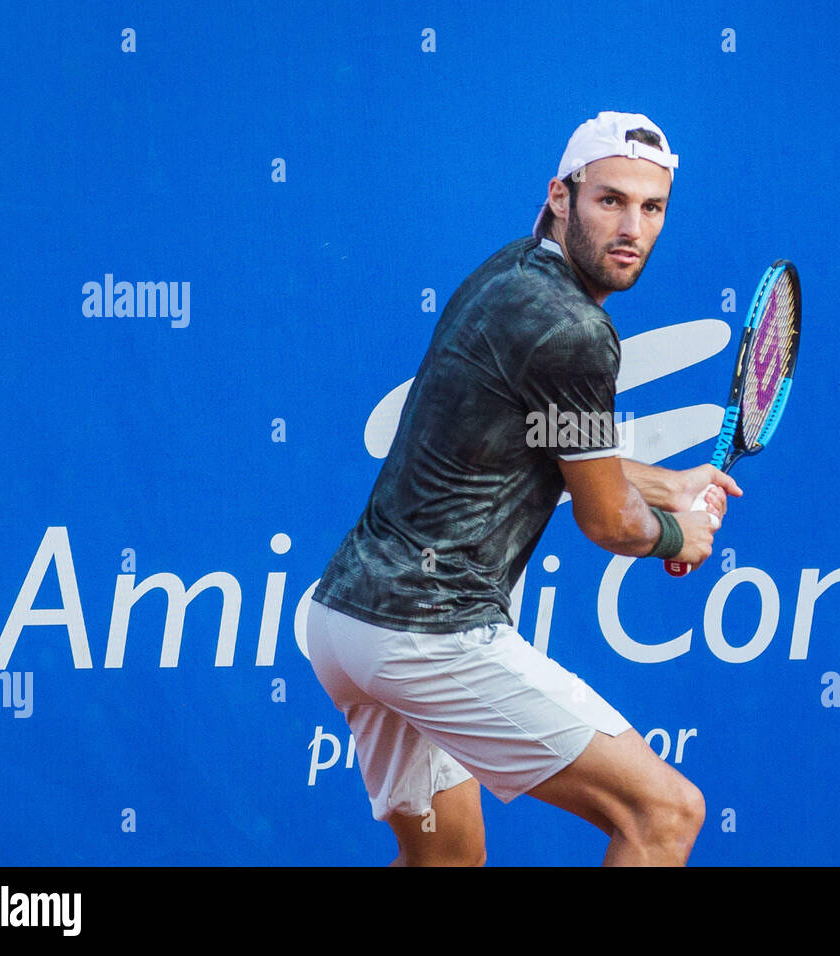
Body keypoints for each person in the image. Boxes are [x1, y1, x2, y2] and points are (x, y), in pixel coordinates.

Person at [307, 111, 741, 866]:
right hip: (426, 630)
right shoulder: (574, 330)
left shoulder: (511, 273)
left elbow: (542, 453)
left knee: (446, 862)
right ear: (561, 196)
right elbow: (606, 520)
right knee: (663, 814)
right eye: (610, 200)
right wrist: (678, 534)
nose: (631, 226)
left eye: (652, 207)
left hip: (347, 622)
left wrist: (669, 487)